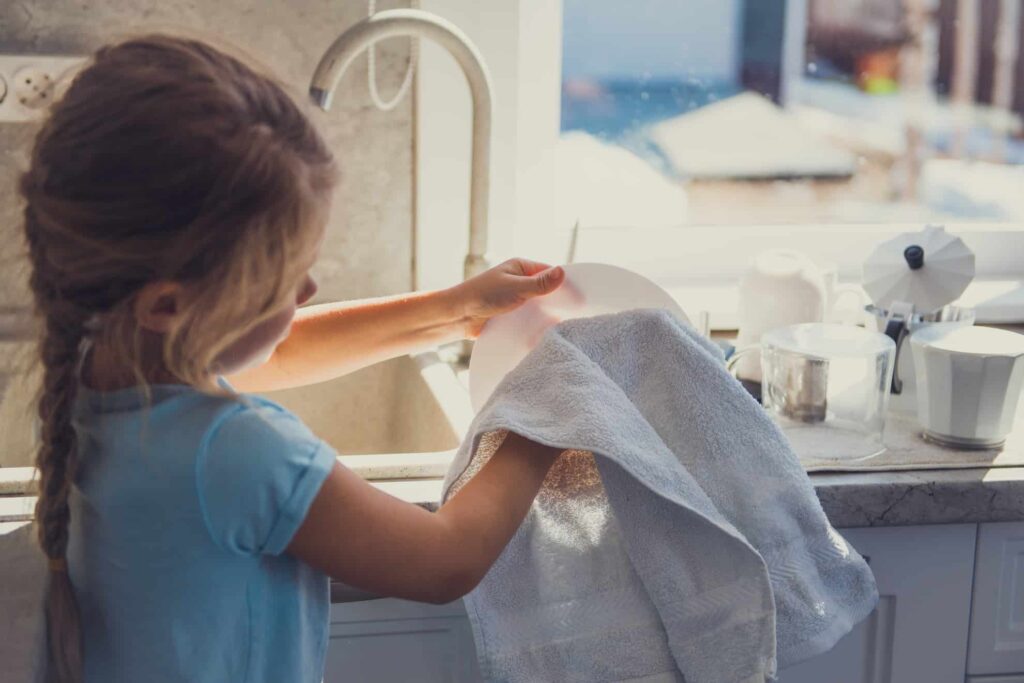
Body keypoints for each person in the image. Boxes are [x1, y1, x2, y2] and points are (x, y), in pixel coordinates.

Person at [20, 34, 565, 682]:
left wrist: (450, 311)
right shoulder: (236, 453)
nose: (307, 292)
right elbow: (445, 559)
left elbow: (276, 347)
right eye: (282, 281)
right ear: (167, 305)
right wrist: (550, 397)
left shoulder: (96, 366)